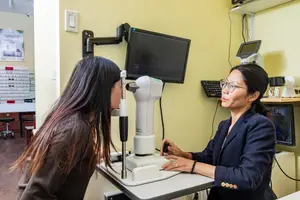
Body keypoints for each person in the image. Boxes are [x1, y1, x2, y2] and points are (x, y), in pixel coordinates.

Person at [11, 56, 122, 200]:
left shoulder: (73, 122)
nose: (123, 93)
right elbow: (33, 196)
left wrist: (89, 156)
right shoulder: (74, 129)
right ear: (105, 88)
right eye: (120, 86)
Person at [161, 63, 277, 200]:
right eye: (225, 84)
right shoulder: (224, 125)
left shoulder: (261, 126)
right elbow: (208, 156)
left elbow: (247, 177)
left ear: (252, 96)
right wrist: (183, 154)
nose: (225, 90)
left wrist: (193, 166)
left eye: (232, 86)